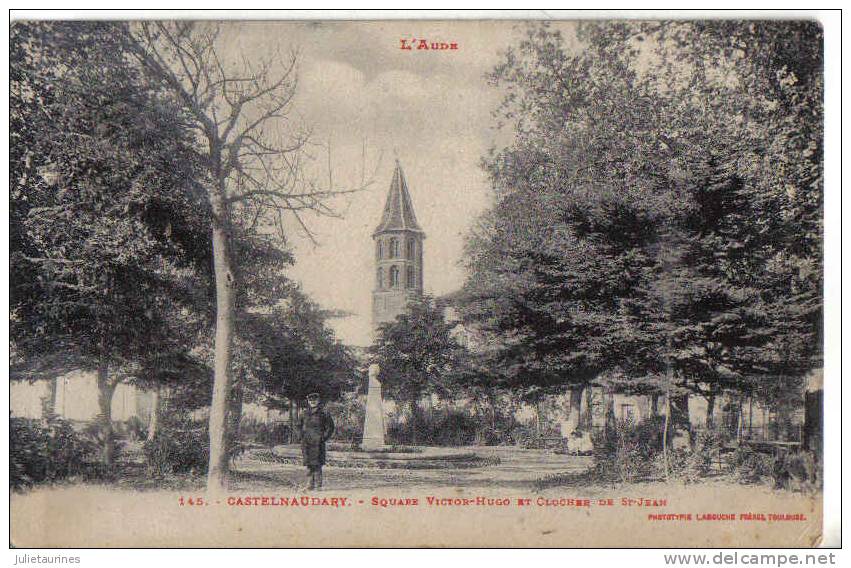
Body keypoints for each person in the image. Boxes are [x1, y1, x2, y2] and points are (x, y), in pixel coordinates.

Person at [298, 392, 335, 490]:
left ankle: (318, 485)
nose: (312, 402)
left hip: (318, 442)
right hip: (307, 442)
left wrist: (323, 437)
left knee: (317, 464)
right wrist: (301, 436)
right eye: (310, 400)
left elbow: (330, 427)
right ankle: (310, 485)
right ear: (308, 401)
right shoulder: (304, 413)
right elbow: (298, 426)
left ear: (318, 401)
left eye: (314, 400)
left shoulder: (324, 413)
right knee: (309, 464)